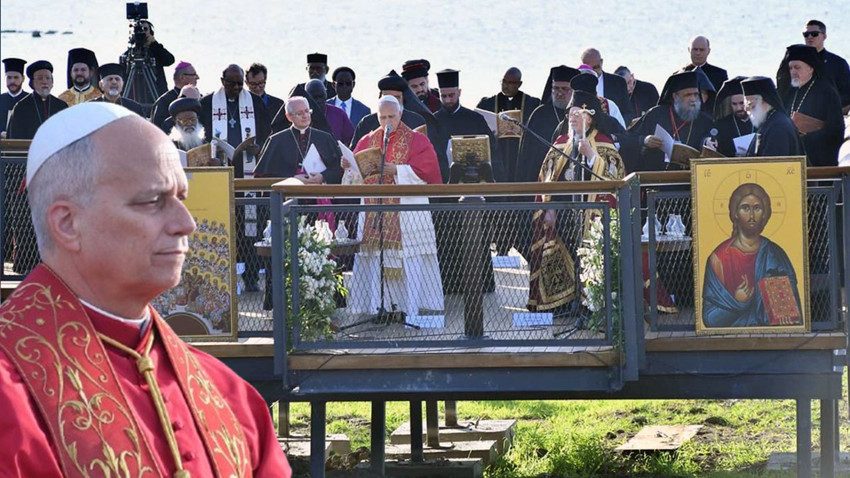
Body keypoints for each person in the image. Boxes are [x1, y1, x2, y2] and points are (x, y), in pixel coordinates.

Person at [0, 102, 292, 476]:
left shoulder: (230, 395)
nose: (186, 224)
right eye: (153, 201)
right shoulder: (10, 395)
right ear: (68, 223)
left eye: (181, 199)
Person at [344, 96, 444, 316]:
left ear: (400, 114)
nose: (387, 121)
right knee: (375, 258)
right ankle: (378, 307)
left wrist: (397, 170)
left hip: (407, 216)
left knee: (411, 258)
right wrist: (349, 168)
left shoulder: (417, 140)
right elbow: (354, 178)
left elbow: (428, 173)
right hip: (375, 214)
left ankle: (410, 307)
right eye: (382, 117)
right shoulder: (366, 141)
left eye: (392, 116)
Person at [527, 88, 625, 313]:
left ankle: (592, 305)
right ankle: (560, 304)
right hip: (562, 217)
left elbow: (614, 178)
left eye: (576, 114)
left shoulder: (603, 143)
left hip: (591, 217)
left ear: (589, 118)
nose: (571, 117)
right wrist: (548, 207)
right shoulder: (561, 141)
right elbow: (546, 178)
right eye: (569, 113)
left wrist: (591, 156)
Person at [200, 64, 271, 292]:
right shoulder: (208, 103)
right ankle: (221, 278)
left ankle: (250, 278)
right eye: (232, 83)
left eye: (241, 83)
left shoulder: (255, 103)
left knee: (250, 226)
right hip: (220, 173)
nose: (238, 87)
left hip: (247, 173)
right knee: (224, 224)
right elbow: (202, 140)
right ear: (222, 81)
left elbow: (267, 135)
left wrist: (259, 149)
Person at [702, 183, 801, 328]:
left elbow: (791, 310)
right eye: (745, 208)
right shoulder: (719, 258)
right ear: (735, 213)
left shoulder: (775, 254)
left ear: (764, 214)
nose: (752, 215)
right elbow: (710, 319)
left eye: (757, 208)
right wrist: (739, 302)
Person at [626, 70, 715, 171]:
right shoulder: (656, 114)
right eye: (688, 95)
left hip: (691, 177)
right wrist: (644, 140)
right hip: (657, 177)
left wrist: (706, 142)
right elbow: (627, 138)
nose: (693, 99)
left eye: (695, 94)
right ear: (675, 96)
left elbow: (710, 139)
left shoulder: (705, 121)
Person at [777, 44, 843, 166]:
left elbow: (836, 130)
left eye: (797, 67)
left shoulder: (826, 92)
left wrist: (806, 138)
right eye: (790, 68)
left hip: (818, 157)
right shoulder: (789, 92)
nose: (793, 72)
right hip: (793, 156)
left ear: (811, 68)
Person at [255, 96, 343, 184]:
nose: (305, 116)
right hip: (287, 194)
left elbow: (339, 169)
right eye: (299, 113)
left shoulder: (325, 138)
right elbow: (264, 175)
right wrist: (292, 178)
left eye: (307, 111)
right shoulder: (276, 140)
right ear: (289, 117)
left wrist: (323, 176)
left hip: (321, 192)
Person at [476, 67, 541, 183]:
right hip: (497, 153)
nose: (505, 86)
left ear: (519, 84)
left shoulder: (532, 103)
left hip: (520, 154)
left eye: (510, 83)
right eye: (504, 81)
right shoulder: (487, 103)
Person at [517, 65, 578, 184]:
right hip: (541, 179)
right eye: (556, 88)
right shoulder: (539, 114)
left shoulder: (581, 114)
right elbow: (526, 156)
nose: (559, 93)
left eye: (565, 89)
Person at [350, 71, 427, 150]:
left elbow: (424, 153)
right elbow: (354, 154)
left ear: (403, 98)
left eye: (396, 97)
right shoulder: (366, 123)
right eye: (388, 97)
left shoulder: (417, 121)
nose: (392, 102)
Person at [7, 60, 68, 140]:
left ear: (52, 82)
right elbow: (14, 140)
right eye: (40, 78)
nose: (44, 82)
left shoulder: (61, 106)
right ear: (32, 83)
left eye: (48, 78)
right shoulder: (21, 107)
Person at [741, 76, 802, 157]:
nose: (746, 109)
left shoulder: (779, 126)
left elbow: (773, 163)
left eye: (750, 104)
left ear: (765, 101)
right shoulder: (769, 122)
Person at [802, 19, 850, 114]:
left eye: (814, 34)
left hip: (831, 116)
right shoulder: (795, 63)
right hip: (798, 117)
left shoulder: (838, 63)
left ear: (824, 36)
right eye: (806, 34)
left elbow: (847, 94)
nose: (810, 37)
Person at [579, 48, 634, 124]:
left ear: (601, 62)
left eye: (596, 67)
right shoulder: (576, 84)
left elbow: (628, 114)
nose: (593, 71)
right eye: (589, 68)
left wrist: (617, 130)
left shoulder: (618, 82)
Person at [123, 20, 175, 98]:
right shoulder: (129, 55)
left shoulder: (156, 51)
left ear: (151, 32)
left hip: (156, 94)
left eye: (145, 29)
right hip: (134, 97)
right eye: (138, 30)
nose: (142, 32)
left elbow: (169, 60)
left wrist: (154, 44)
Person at [150, 61, 199, 132]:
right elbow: (158, 130)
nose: (197, 77)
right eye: (194, 74)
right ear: (182, 77)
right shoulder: (164, 101)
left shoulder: (198, 96)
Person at [713, 76, 754, 157]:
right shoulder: (722, 125)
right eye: (734, 104)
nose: (738, 108)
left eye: (742, 103)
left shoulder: (761, 122)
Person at [305, 78, 354, 145]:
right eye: (314, 97)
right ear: (306, 97)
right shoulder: (300, 116)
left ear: (326, 95)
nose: (318, 101)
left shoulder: (339, 114)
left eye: (321, 96)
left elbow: (351, 141)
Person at [0, 57, 26, 137]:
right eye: (9, 77)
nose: (12, 81)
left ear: (23, 78)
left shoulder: (31, 100)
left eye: (16, 77)